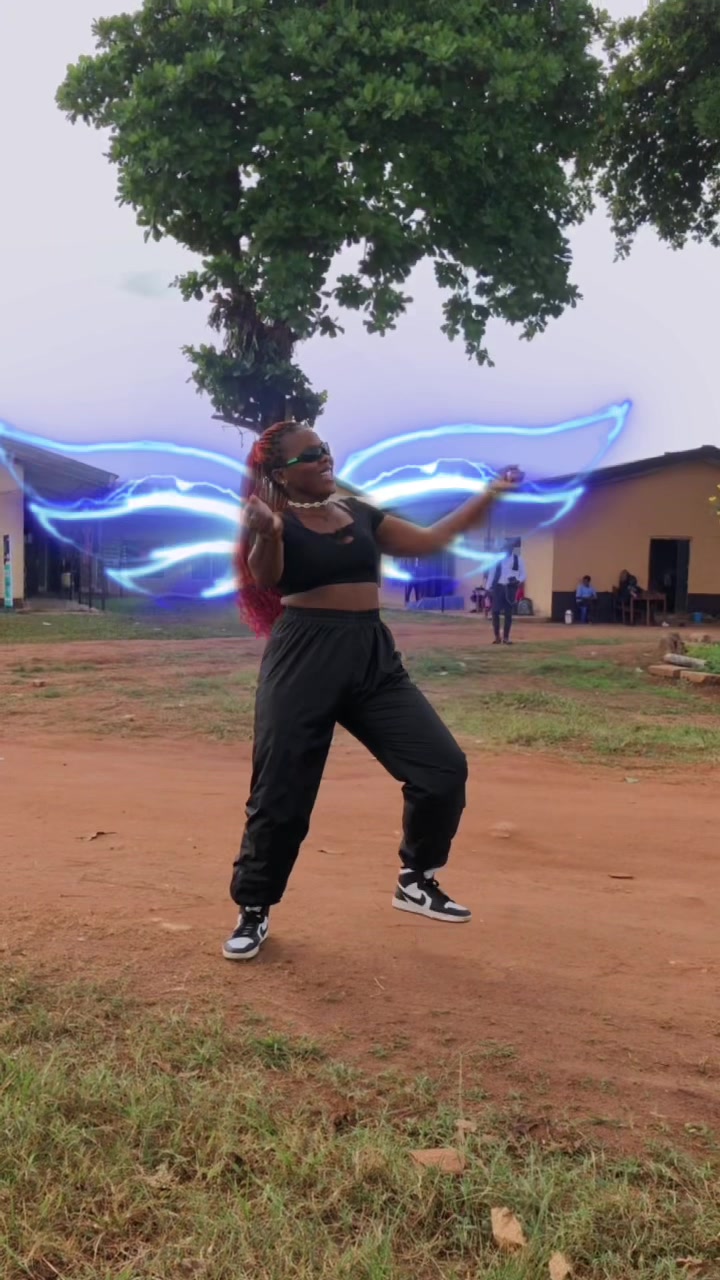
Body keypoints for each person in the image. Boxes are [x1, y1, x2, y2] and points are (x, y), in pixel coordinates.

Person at [224, 421, 522, 960]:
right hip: (304, 658)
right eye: (309, 455)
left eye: (324, 448)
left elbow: (431, 541)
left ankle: (416, 878)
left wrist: (489, 495)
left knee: (441, 768)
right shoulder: (277, 522)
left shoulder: (360, 514)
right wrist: (267, 532)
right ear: (280, 474)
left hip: (370, 655)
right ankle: (254, 907)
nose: (323, 457)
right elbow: (265, 577)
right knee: (281, 791)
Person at [490, 540, 526, 646]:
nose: (506, 551)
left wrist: (518, 581)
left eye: (508, 548)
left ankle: (506, 637)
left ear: (512, 549)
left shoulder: (518, 560)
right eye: (504, 549)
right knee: (495, 612)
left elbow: (524, 574)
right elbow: (492, 574)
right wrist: (488, 588)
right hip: (498, 587)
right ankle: (497, 636)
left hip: (510, 588)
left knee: (508, 613)